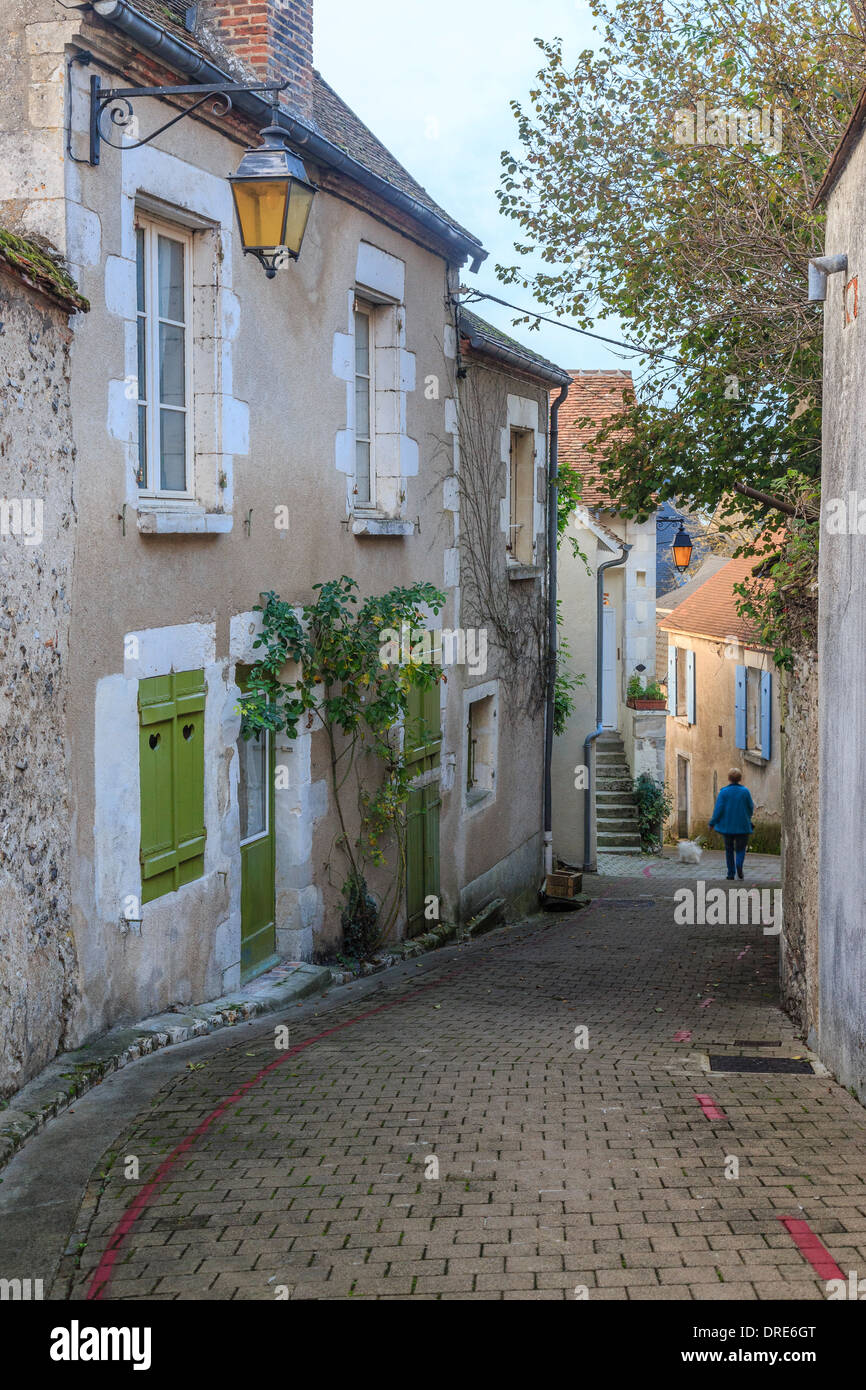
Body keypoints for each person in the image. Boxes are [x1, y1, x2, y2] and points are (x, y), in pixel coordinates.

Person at [709, 768, 754, 880]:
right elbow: (750, 807)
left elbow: (718, 809)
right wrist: (747, 817)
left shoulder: (724, 792)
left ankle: (730, 873)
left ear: (729, 778)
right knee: (741, 848)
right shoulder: (745, 791)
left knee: (729, 850)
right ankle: (739, 863)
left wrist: (712, 823)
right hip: (743, 826)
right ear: (740, 778)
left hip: (727, 827)